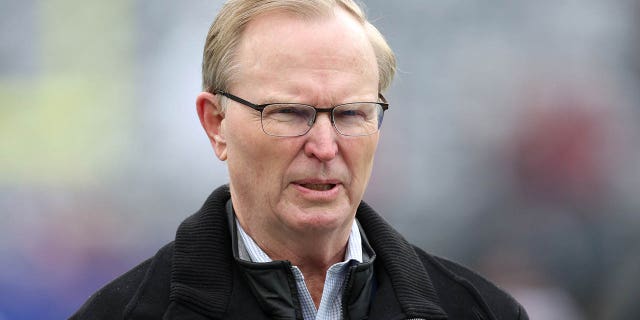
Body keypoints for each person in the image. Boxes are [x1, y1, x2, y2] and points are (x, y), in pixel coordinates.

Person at [71, 0, 528, 319]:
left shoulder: (482, 310)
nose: (326, 147)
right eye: (289, 113)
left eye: (351, 113)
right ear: (216, 124)